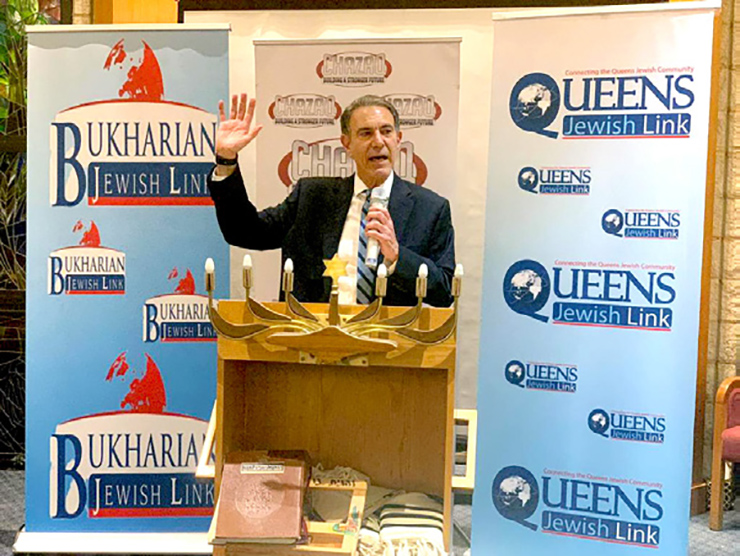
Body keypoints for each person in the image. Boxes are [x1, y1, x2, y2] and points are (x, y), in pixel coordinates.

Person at [207, 93, 455, 307]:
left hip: (391, 344)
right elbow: (245, 232)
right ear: (347, 143)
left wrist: (397, 256)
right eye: (366, 133)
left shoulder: (431, 209)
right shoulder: (312, 196)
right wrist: (226, 160)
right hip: (314, 340)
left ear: (398, 139)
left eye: (386, 131)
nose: (378, 141)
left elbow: (445, 292)